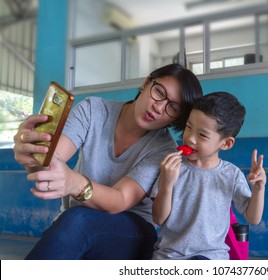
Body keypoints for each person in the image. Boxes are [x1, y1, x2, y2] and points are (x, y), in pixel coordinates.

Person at [12, 63, 203, 259]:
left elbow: (119, 200)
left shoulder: (163, 149)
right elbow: (53, 161)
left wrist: (75, 182)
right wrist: (33, 156)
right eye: (159, 92)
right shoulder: (92, 110)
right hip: (77, 224)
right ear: (146, 83)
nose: (159, 106)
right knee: (74, 224)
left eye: (172, 107)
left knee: (78, 220)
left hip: (132, 234)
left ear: (175, 119)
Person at [151, 91, 267, 260]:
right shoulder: (173, 168)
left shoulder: (231, 174)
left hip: (212, 257)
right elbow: (159, 219)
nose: (190, 139)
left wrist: (259, 188)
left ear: (226, 143)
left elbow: (253, 218)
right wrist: (166, 185)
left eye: (202, 135)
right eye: (188, 127)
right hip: (170, 257)